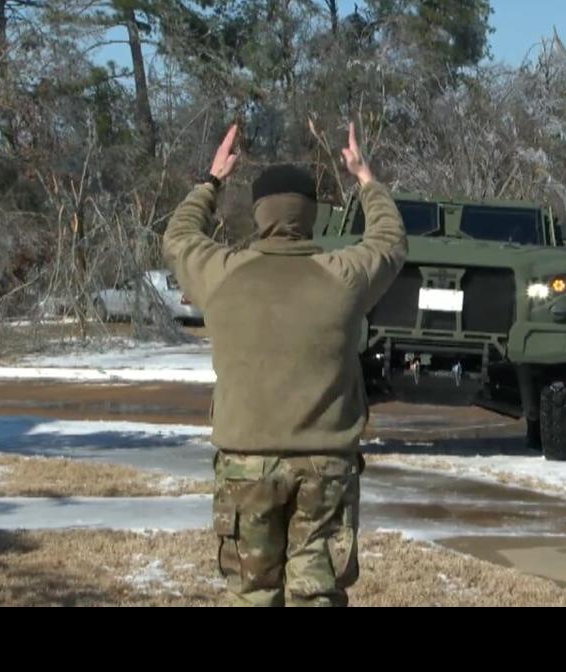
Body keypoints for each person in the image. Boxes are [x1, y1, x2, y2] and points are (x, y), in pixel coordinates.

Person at [163, 123, 406, 606]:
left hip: (245, 465)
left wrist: (211, 180)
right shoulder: (343, 276)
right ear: (312, 215)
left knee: (252, 595)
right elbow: (390, 240)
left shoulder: (223, 274)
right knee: (316, 595)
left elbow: (177, 237)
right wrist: (365, 178)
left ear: (258, 213)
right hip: (325, 465)